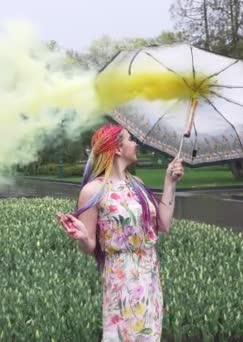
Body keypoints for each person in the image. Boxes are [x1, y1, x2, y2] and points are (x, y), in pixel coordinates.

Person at [56, 123, 184, 341]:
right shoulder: (93, 191)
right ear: (117, 148)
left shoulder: (138, 185)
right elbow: (89, 247)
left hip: (149, 274)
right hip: (121, 276)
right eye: (130, 139)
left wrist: (169, 182)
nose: (136, 144)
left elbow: (163, 224)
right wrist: (83, 237)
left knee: (149, 335)